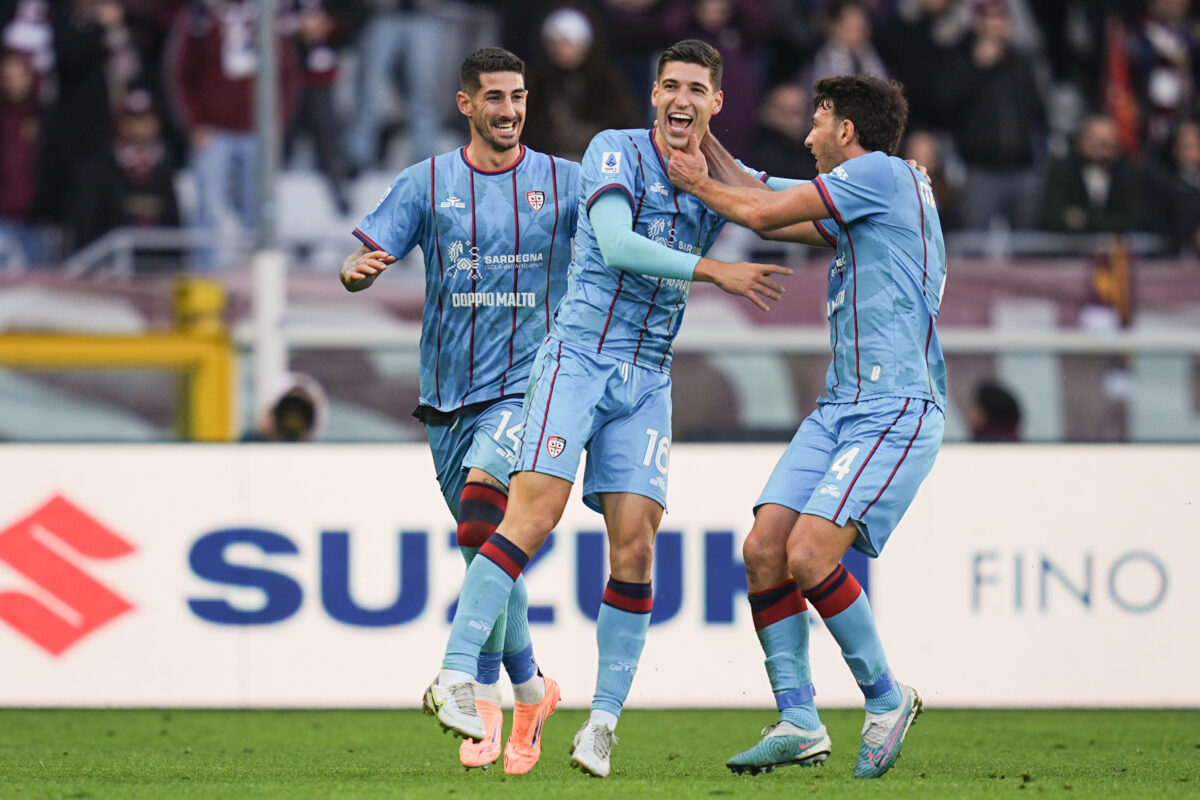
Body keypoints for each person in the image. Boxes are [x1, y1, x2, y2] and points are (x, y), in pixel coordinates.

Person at [422, 39, 791, 779]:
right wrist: (717, 270)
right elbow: (618, 245)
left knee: (637, 547)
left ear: (717, 103)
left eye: (697, 89)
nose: (682, 99)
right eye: (671, 85)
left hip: (647, 378)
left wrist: (880, 190)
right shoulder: (614, 150)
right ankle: (457, 675)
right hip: (579, 357)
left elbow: (807, 209)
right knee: (530, 517)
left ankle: (602, 723)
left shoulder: (724, 175)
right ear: (654, 94)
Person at [666, 73, 946, 779]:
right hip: (842, 405)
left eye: (817, 121)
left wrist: (694, 181)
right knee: (764, 547)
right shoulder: (868, 192)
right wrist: (704, 137)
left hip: (894, 404)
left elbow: (760, 214)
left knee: (811, 553)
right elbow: (763, 197)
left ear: (846, 130)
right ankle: (798, 719)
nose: (807, 135)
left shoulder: (880, 175)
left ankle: (886, 698)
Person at [340, 47, 573, 775]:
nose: (509, 110)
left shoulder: (564, 183)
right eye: (495, 98)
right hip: (445, 398)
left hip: (526, 387)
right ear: (466, 103)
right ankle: (530, 691)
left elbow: (630, 228)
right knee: (486, 552)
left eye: (519, 97)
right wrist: (355, 271)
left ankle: (463, 679)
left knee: (480, 519)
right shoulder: (427, 183)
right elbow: (362, 257)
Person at [1037, 114, 1145, 234]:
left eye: (1109, 142)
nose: (1102, 148)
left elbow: (1133, 219)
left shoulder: (1130, 173)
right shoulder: (1062, 170)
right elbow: (1053, 216)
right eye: (1095, 140)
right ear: (1079, 142)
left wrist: (1086, 219)